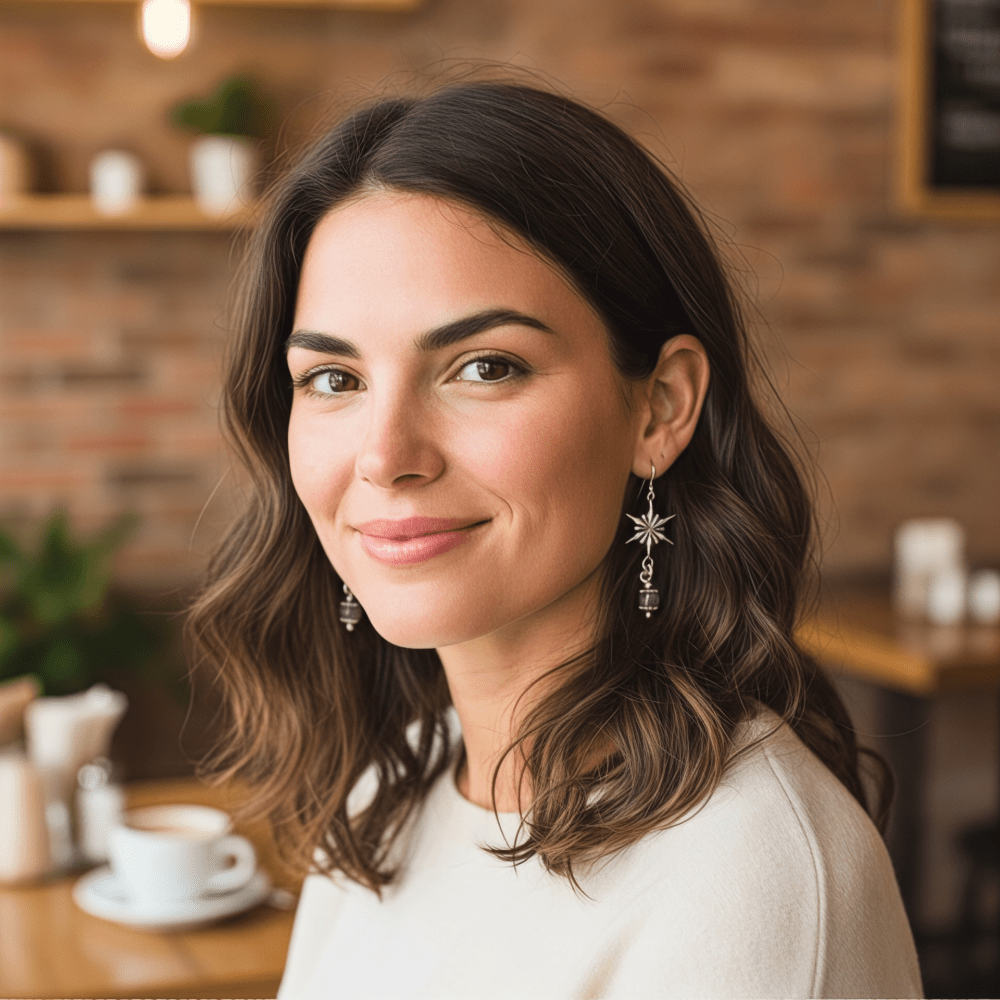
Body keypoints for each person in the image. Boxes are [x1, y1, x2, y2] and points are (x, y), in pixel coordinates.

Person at [188, 79, 922, 999]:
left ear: (660, 406)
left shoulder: (746, 881)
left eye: (484, 367)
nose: (384, 457)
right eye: (333, 378)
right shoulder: (388, 794)